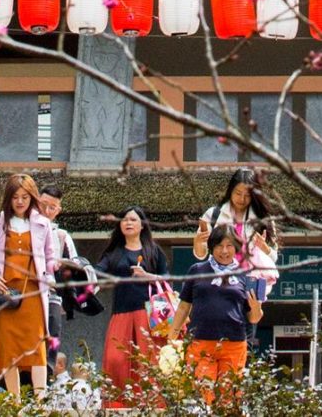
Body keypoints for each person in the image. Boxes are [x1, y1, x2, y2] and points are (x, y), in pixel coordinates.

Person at [0, 171, 57, 401]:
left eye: (25, 196)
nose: (20, 201)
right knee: (8, 350)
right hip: (4, 294)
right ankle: (15, 403)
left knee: (37, 349)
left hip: (32, 292)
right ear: (8, 198)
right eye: (15, 197)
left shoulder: (43, 224)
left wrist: (50, 273)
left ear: (32, 197)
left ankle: (41, 403)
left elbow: (50, 257)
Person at [94, 206, 168, 405]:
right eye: (124, 219)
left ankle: (151, 406)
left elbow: (168, 280)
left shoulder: (154, 251)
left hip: (148, 314)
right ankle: (117, 407)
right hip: (121, 314)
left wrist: (147, 276)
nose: (128, 223)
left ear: (142, 225)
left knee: (148, 362)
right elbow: (96, 273)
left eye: (133, 220)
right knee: (115, 360)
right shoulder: (113, 252)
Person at [181, 216, 256, 409]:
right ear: (212, 247)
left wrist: (257, 308)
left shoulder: (246, 275)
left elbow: (254, 317)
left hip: (234, 343)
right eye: (219, 246)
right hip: (200, 342)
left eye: (229, 246)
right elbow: (184, 306)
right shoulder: (197, 270)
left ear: (236, 248)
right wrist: (173, 337)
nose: (224, 251)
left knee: (230, 397)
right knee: (201, 396)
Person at [36, 183, 100, 358]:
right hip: (28, 291)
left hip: (52, 294)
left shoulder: (62, 236)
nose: (47, 210)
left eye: (52, 207)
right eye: (43, 205)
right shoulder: (23, 230)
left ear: (58, 210)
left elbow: (76, 266)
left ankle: (45, 381)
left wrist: (63, 263)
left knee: (51, 340)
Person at [200, 166, 270, 247]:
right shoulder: (212, 214)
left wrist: (264, 249)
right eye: (238, 193)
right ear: (230, 191)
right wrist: (199, 244)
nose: (242, 199)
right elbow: (202, 254)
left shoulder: (263, 217)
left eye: (247, 195)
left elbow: (273, 254)